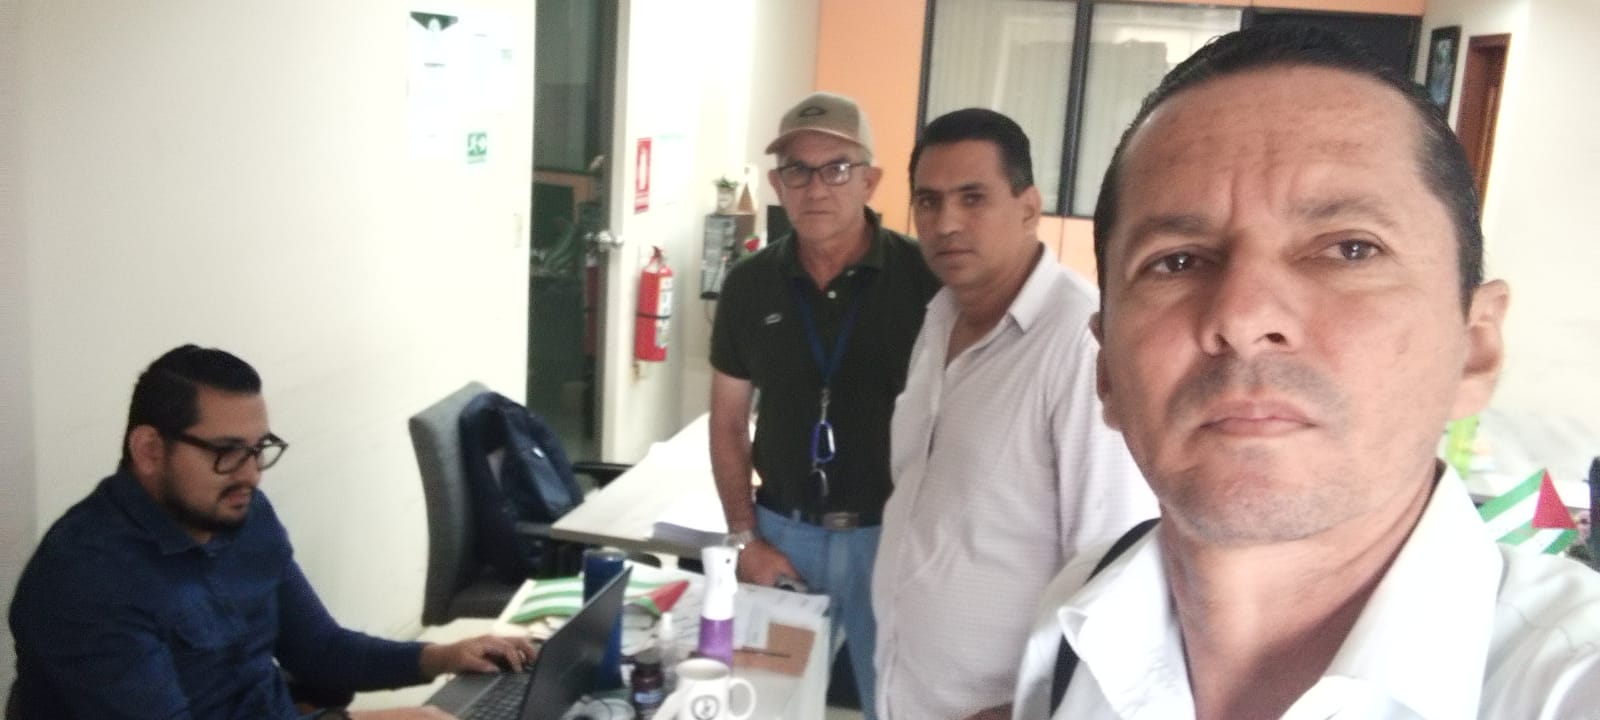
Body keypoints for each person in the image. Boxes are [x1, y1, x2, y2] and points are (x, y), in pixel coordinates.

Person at [1005, 25, 1600, 719]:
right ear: (1106, 368)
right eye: (1177, 260)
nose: (1243, 315)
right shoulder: (1079, 620)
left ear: (1474, 348)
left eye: (1350, 249)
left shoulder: (1568, 686)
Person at [9, 345, 536, 720]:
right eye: (226, 453)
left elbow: (320, 649)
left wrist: (442, 657)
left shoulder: (241, 515)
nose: (251, 475)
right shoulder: (86, 579)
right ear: (149, 450)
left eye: (258, 449)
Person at [870, 108, 1155, 720]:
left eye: (973, 198)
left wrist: (1029, 709)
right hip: (905, 686)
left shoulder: (1079, 342)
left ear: (1029, 207)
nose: (946, 222)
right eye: (928, 202)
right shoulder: (939, 319)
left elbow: (1116, 563)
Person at [708, 91, 940, 718]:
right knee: (764, 708)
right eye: (797, 170)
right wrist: (744, 537)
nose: (816, 188)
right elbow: (727, 422)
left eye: (836, 168)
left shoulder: (927, 281)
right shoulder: (749, 285)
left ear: (871, 180)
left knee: (894, 706)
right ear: (777, 184)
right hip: (783, 539)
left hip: (890, 540)